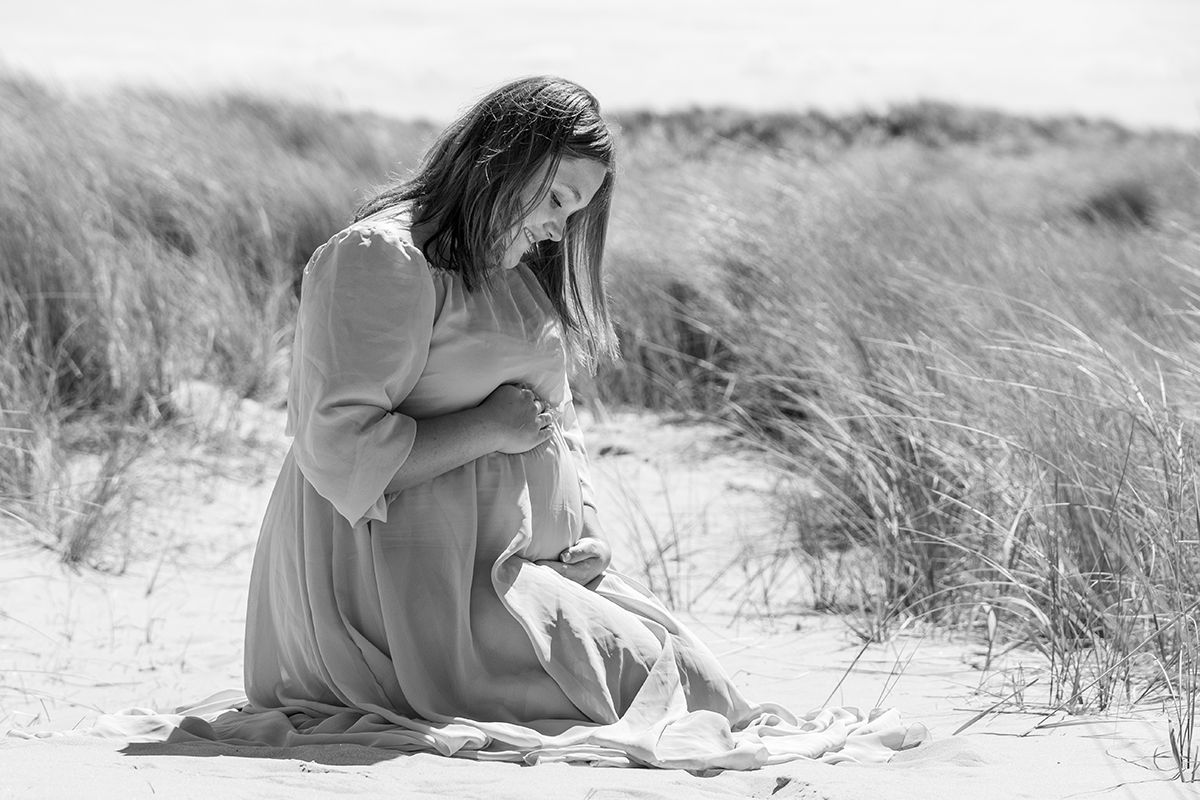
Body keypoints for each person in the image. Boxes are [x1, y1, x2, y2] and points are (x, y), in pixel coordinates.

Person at [198, 76, 920, 769]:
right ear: (497, 164)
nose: (556, 230)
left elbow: (556, 420)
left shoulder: (511, 269)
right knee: (634, 687)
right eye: (554, 200)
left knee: (688, 676)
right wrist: (488, 428)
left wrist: (585, 533)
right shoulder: (381, 258)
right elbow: (337, 449)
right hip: (401, 587)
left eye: (574, 214)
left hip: (515, 565)